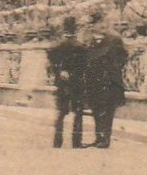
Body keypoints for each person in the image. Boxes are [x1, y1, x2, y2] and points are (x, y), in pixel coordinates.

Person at [82, 14, 129, 149]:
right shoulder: (88, 41)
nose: (102, 25)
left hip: (109, 81)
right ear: (92, 26)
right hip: (93, 81)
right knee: (96, 108)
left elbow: (123, 56)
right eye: (98, 23)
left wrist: (113, 69)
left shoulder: (114, 39)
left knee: (108, 110)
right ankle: (98, 137)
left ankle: (105, 138)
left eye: (103, 22)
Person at [46, 17, 87, 149]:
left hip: (62, 84)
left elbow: (51, 64)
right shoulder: (81, 47)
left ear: (64, 29)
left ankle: (57, 141)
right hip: (77, 83)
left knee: (61, 112)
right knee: (78, 112)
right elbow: (85, 67)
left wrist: (60, 72)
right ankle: (76, 141)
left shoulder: (56, 47)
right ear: (76, 29)